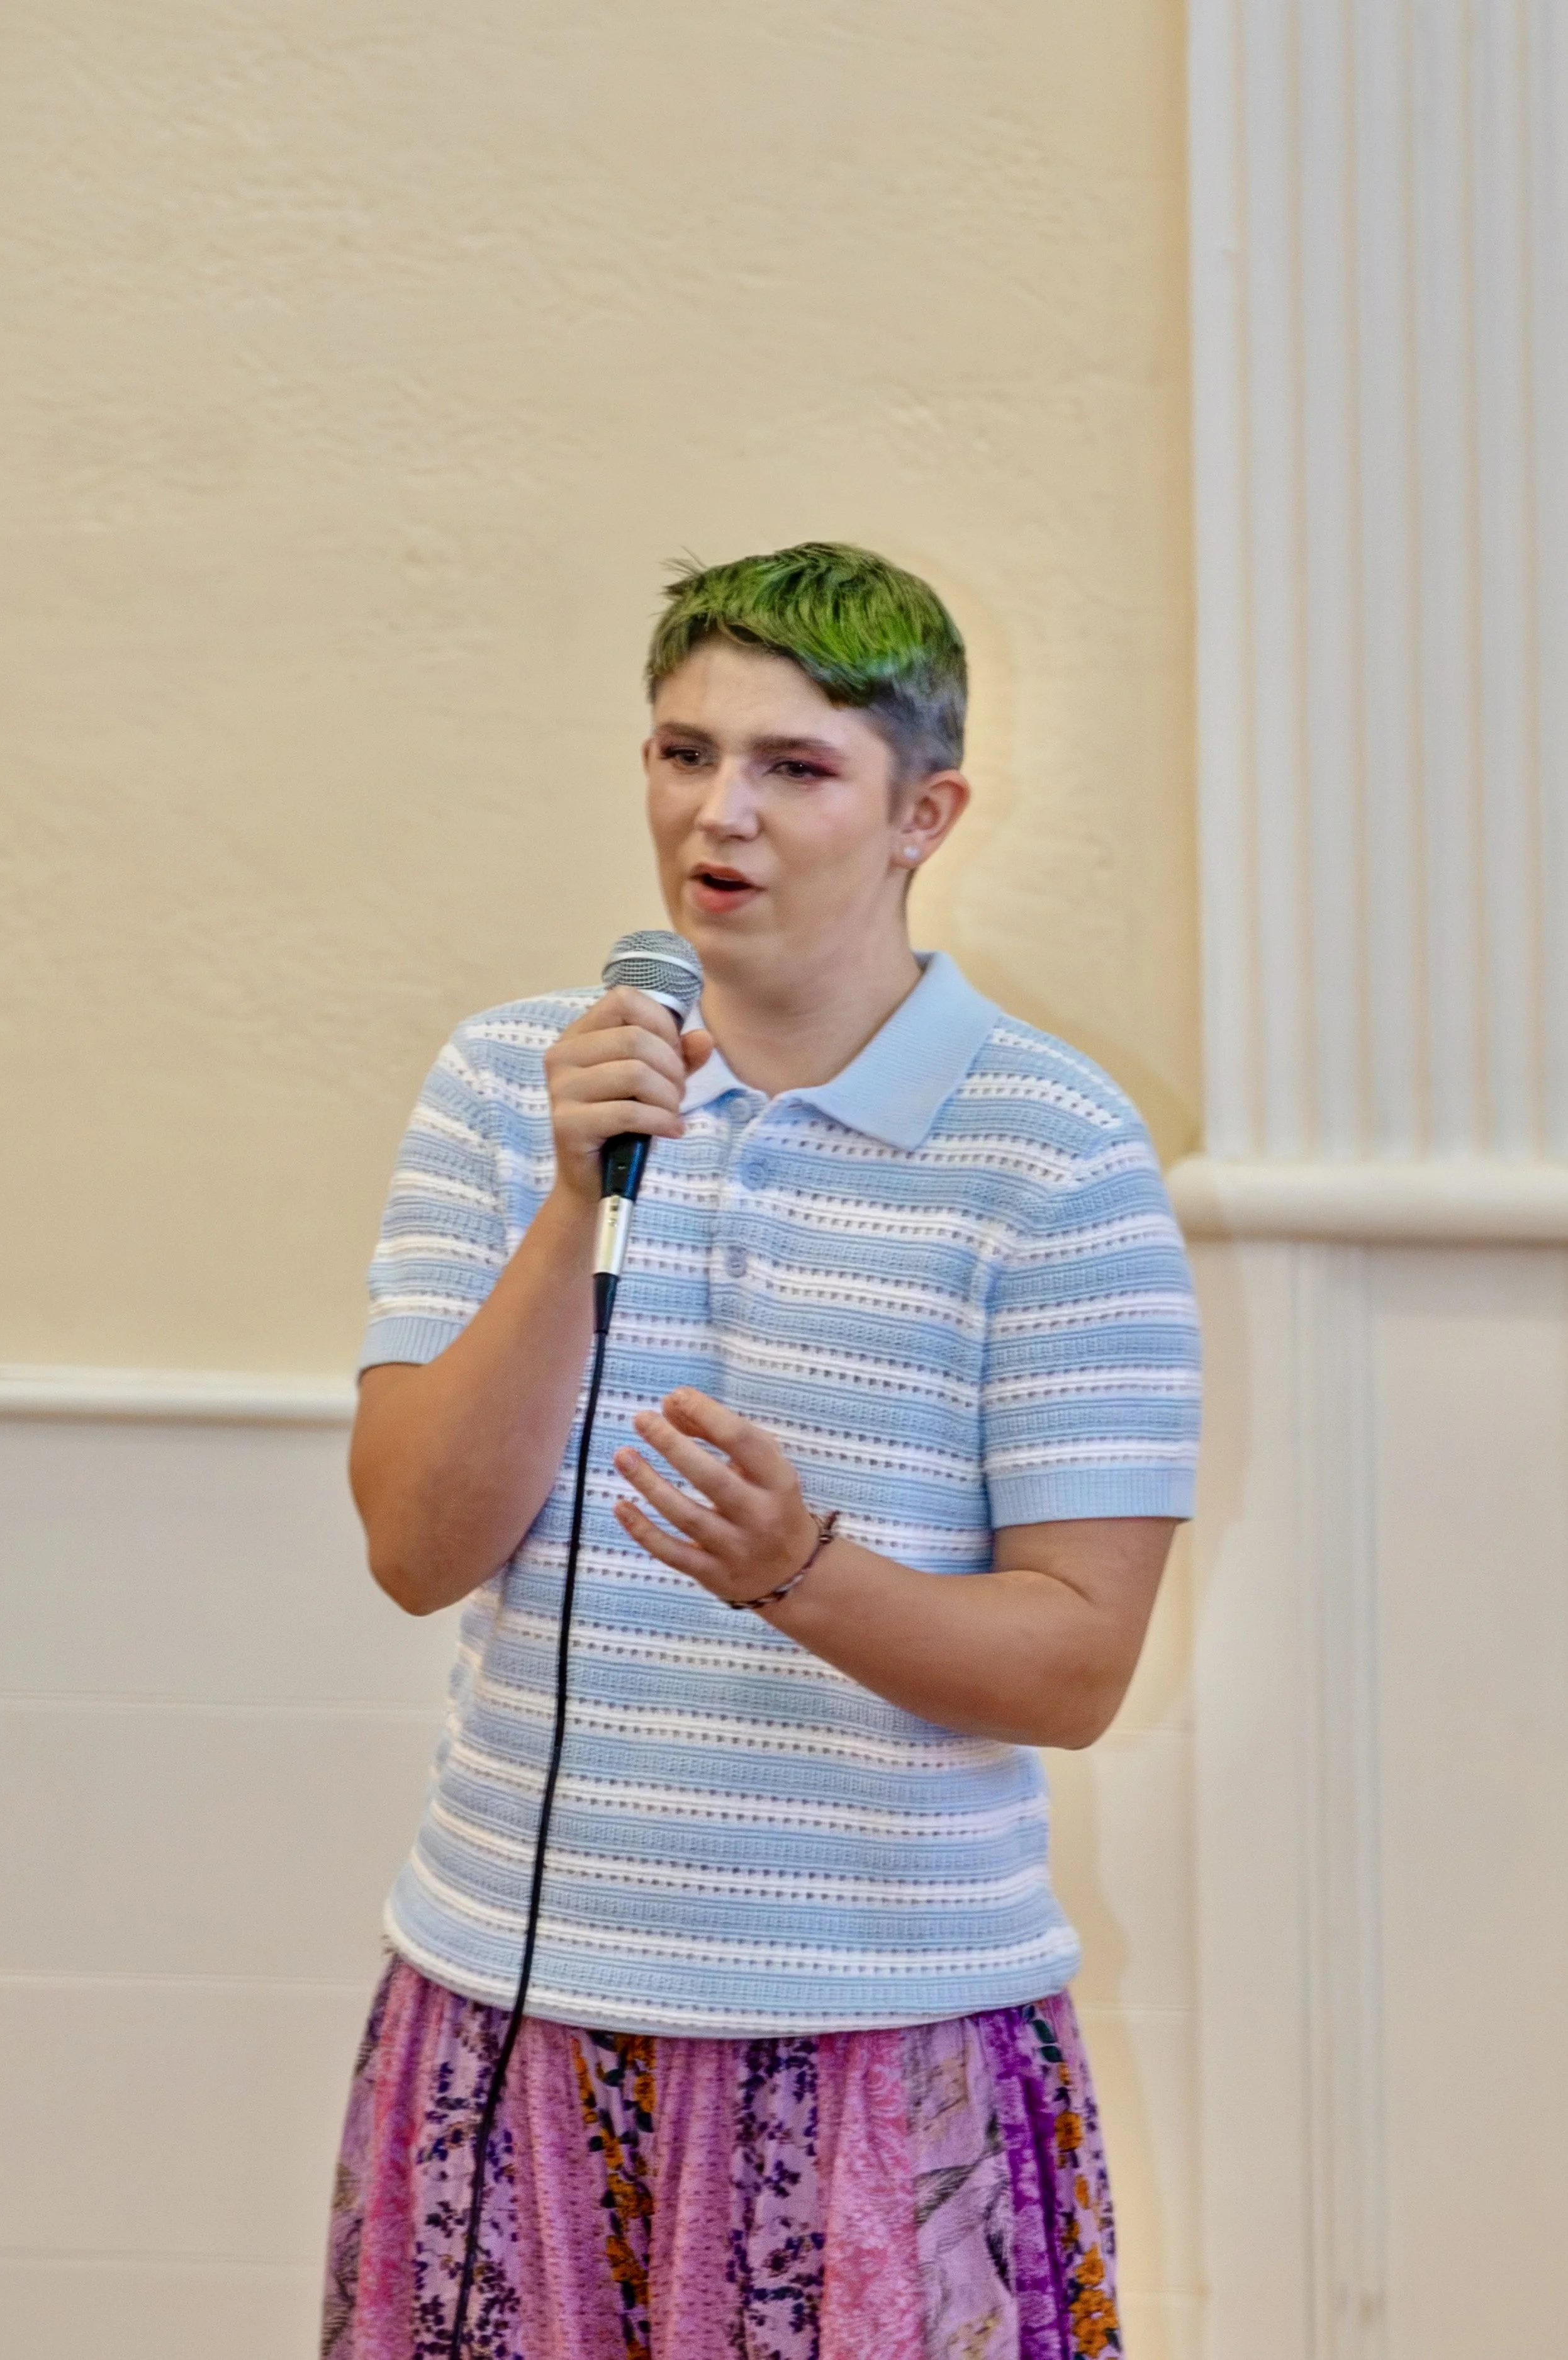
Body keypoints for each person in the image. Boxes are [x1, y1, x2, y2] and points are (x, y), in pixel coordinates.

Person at [325, 542, 1201, 2360]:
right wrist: (580, 1194)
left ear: (920, 813)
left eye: (793, 768)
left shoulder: (1054, 1149)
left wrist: (798, 1570)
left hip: (882, 2039)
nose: (716, 812)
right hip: (506, 2009)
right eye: (679, 752)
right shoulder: (514, 1087)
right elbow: (416, 1546)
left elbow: (1074, 1664)